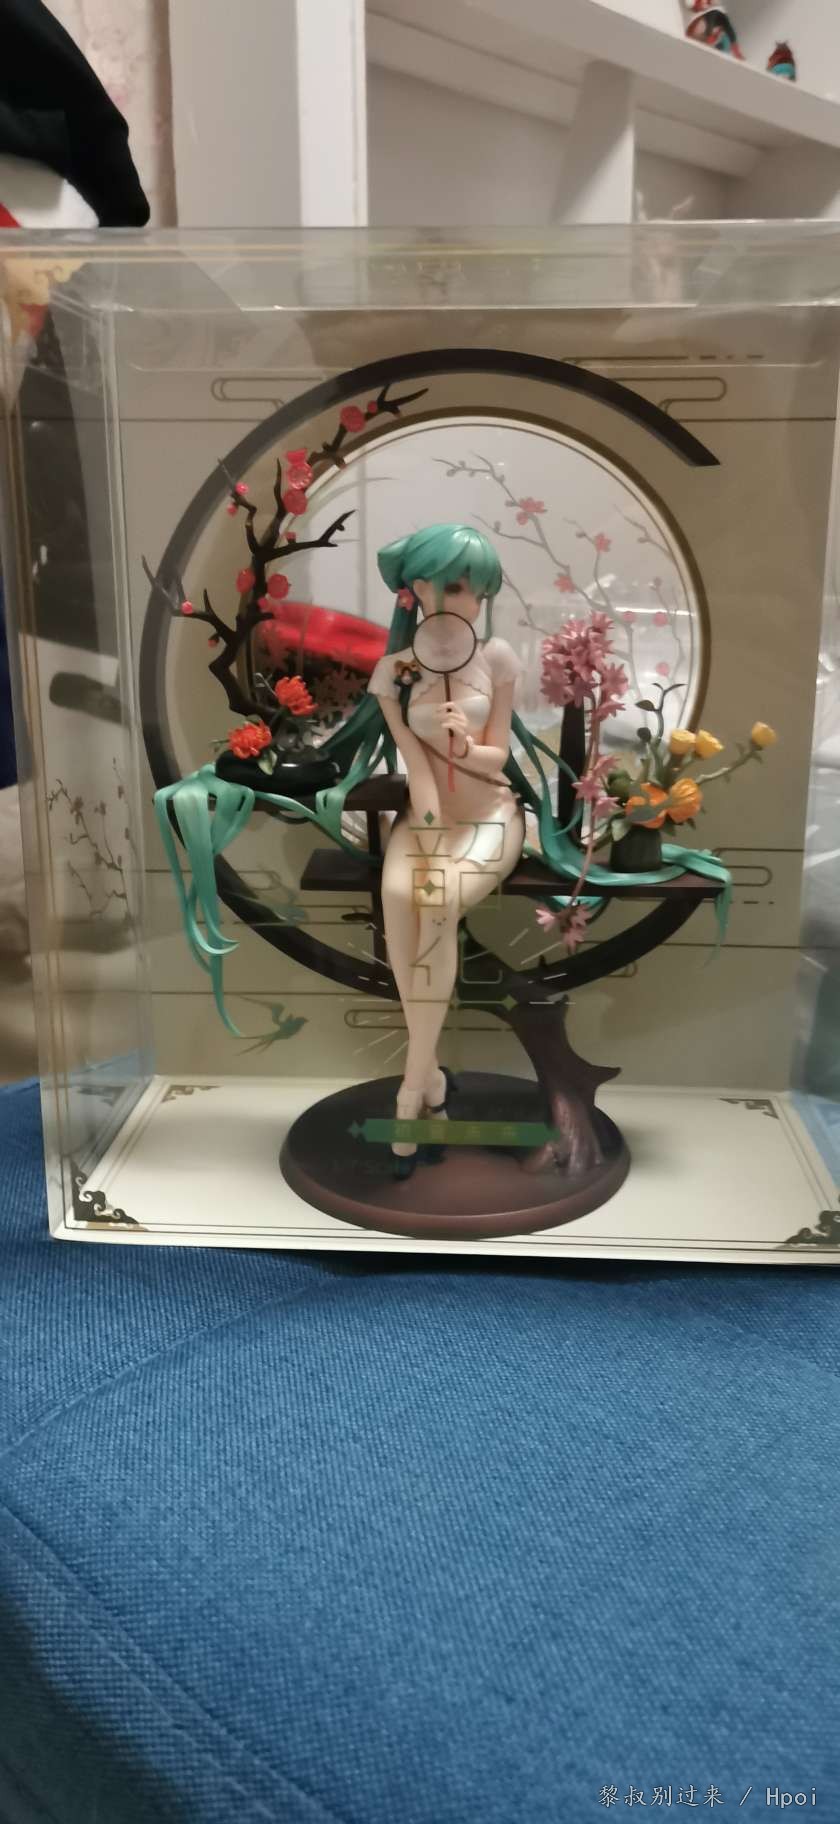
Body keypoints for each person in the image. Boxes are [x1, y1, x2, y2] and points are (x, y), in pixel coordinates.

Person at [366, 525, 523, 1174]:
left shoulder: (498, 658)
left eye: (474, 591)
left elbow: (499, 757)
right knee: (397, 895)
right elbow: (415, 766)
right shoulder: (396, 671)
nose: (465, 602)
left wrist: (467, 745)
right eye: (453, 586)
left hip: (490, 816)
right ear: (417, 590)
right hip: (428, 815)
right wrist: (430, 837)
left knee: (436, 902)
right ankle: (430, 1076)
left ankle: (411, 1091)